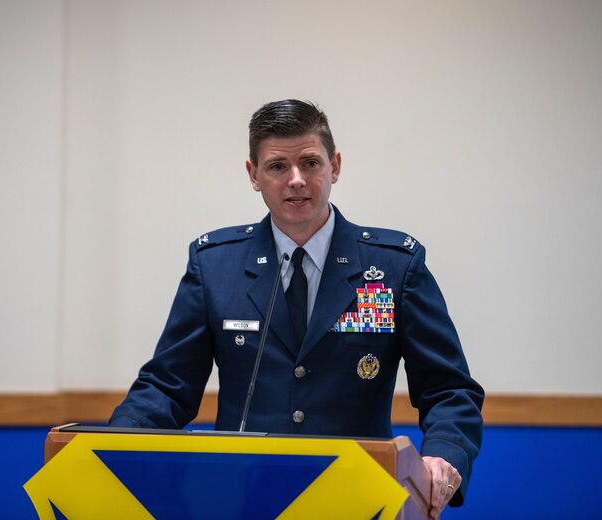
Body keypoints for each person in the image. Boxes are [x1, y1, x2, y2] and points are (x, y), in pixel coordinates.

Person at [110, 99, 484, 517]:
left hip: (360, 499)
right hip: (242, 499)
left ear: (335, 166)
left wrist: (443, 456)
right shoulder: (216, 266)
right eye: (276, 167)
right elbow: (166, 387)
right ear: (253, 175)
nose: (296, 180)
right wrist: (108, 446)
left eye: (310, 163)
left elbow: (449, 389)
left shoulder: (395, 266)